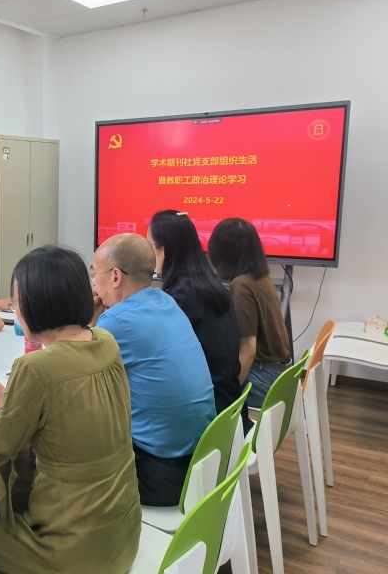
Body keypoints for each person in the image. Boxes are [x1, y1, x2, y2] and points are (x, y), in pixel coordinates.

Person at [0, 245, 141, 573]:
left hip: (77, 552)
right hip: (123, 532)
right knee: (16, 503)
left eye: (16, 303)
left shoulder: (35, 367)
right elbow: (67, 411)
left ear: (32, 306)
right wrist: (11, 398)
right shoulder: (105, 341)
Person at [91, 233, 216, 507]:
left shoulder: (116, 321)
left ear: (115, 277)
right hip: (204, 459)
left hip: (163, 476)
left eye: (94, 274)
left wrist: (95, 320)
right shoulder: (166, 301)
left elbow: (74, 375)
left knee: (80, 437)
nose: (94, 284)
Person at [148, 210, 253, 434]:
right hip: (230, 409)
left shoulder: (180, 300)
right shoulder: (214, 288)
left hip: (208, 420)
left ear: (165, 250)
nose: (148, 255)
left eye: (151, 247)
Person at [208, 217, 291, 409]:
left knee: (208, 388)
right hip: (278, 373)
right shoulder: (261, 276)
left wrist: (231, 394)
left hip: (263, 377)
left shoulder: (242, 285)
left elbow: (248, 350)